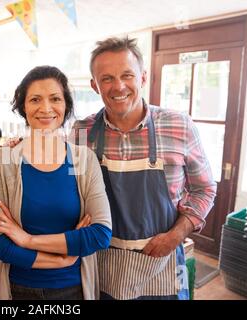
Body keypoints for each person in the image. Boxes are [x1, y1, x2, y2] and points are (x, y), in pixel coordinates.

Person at [71, 37, 217, 300]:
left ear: (143, 78)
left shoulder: (179, 126)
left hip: (163, 261)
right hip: (104, 262)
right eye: (107, 79)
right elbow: (71, 191)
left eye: (127, 75)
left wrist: (176, 235)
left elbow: (204, 189)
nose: (119, 86)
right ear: (94, 85)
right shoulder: (82, 132)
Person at [0, 66, 112, 300]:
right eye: (35, 99)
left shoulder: (83, 160)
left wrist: (27, 239)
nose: (46, 108)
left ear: (66, 106)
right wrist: (60, 259)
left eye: (55, 99)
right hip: (16, 290)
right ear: (23, 107)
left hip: (74, 289)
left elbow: (100, 234)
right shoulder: (3, 161)